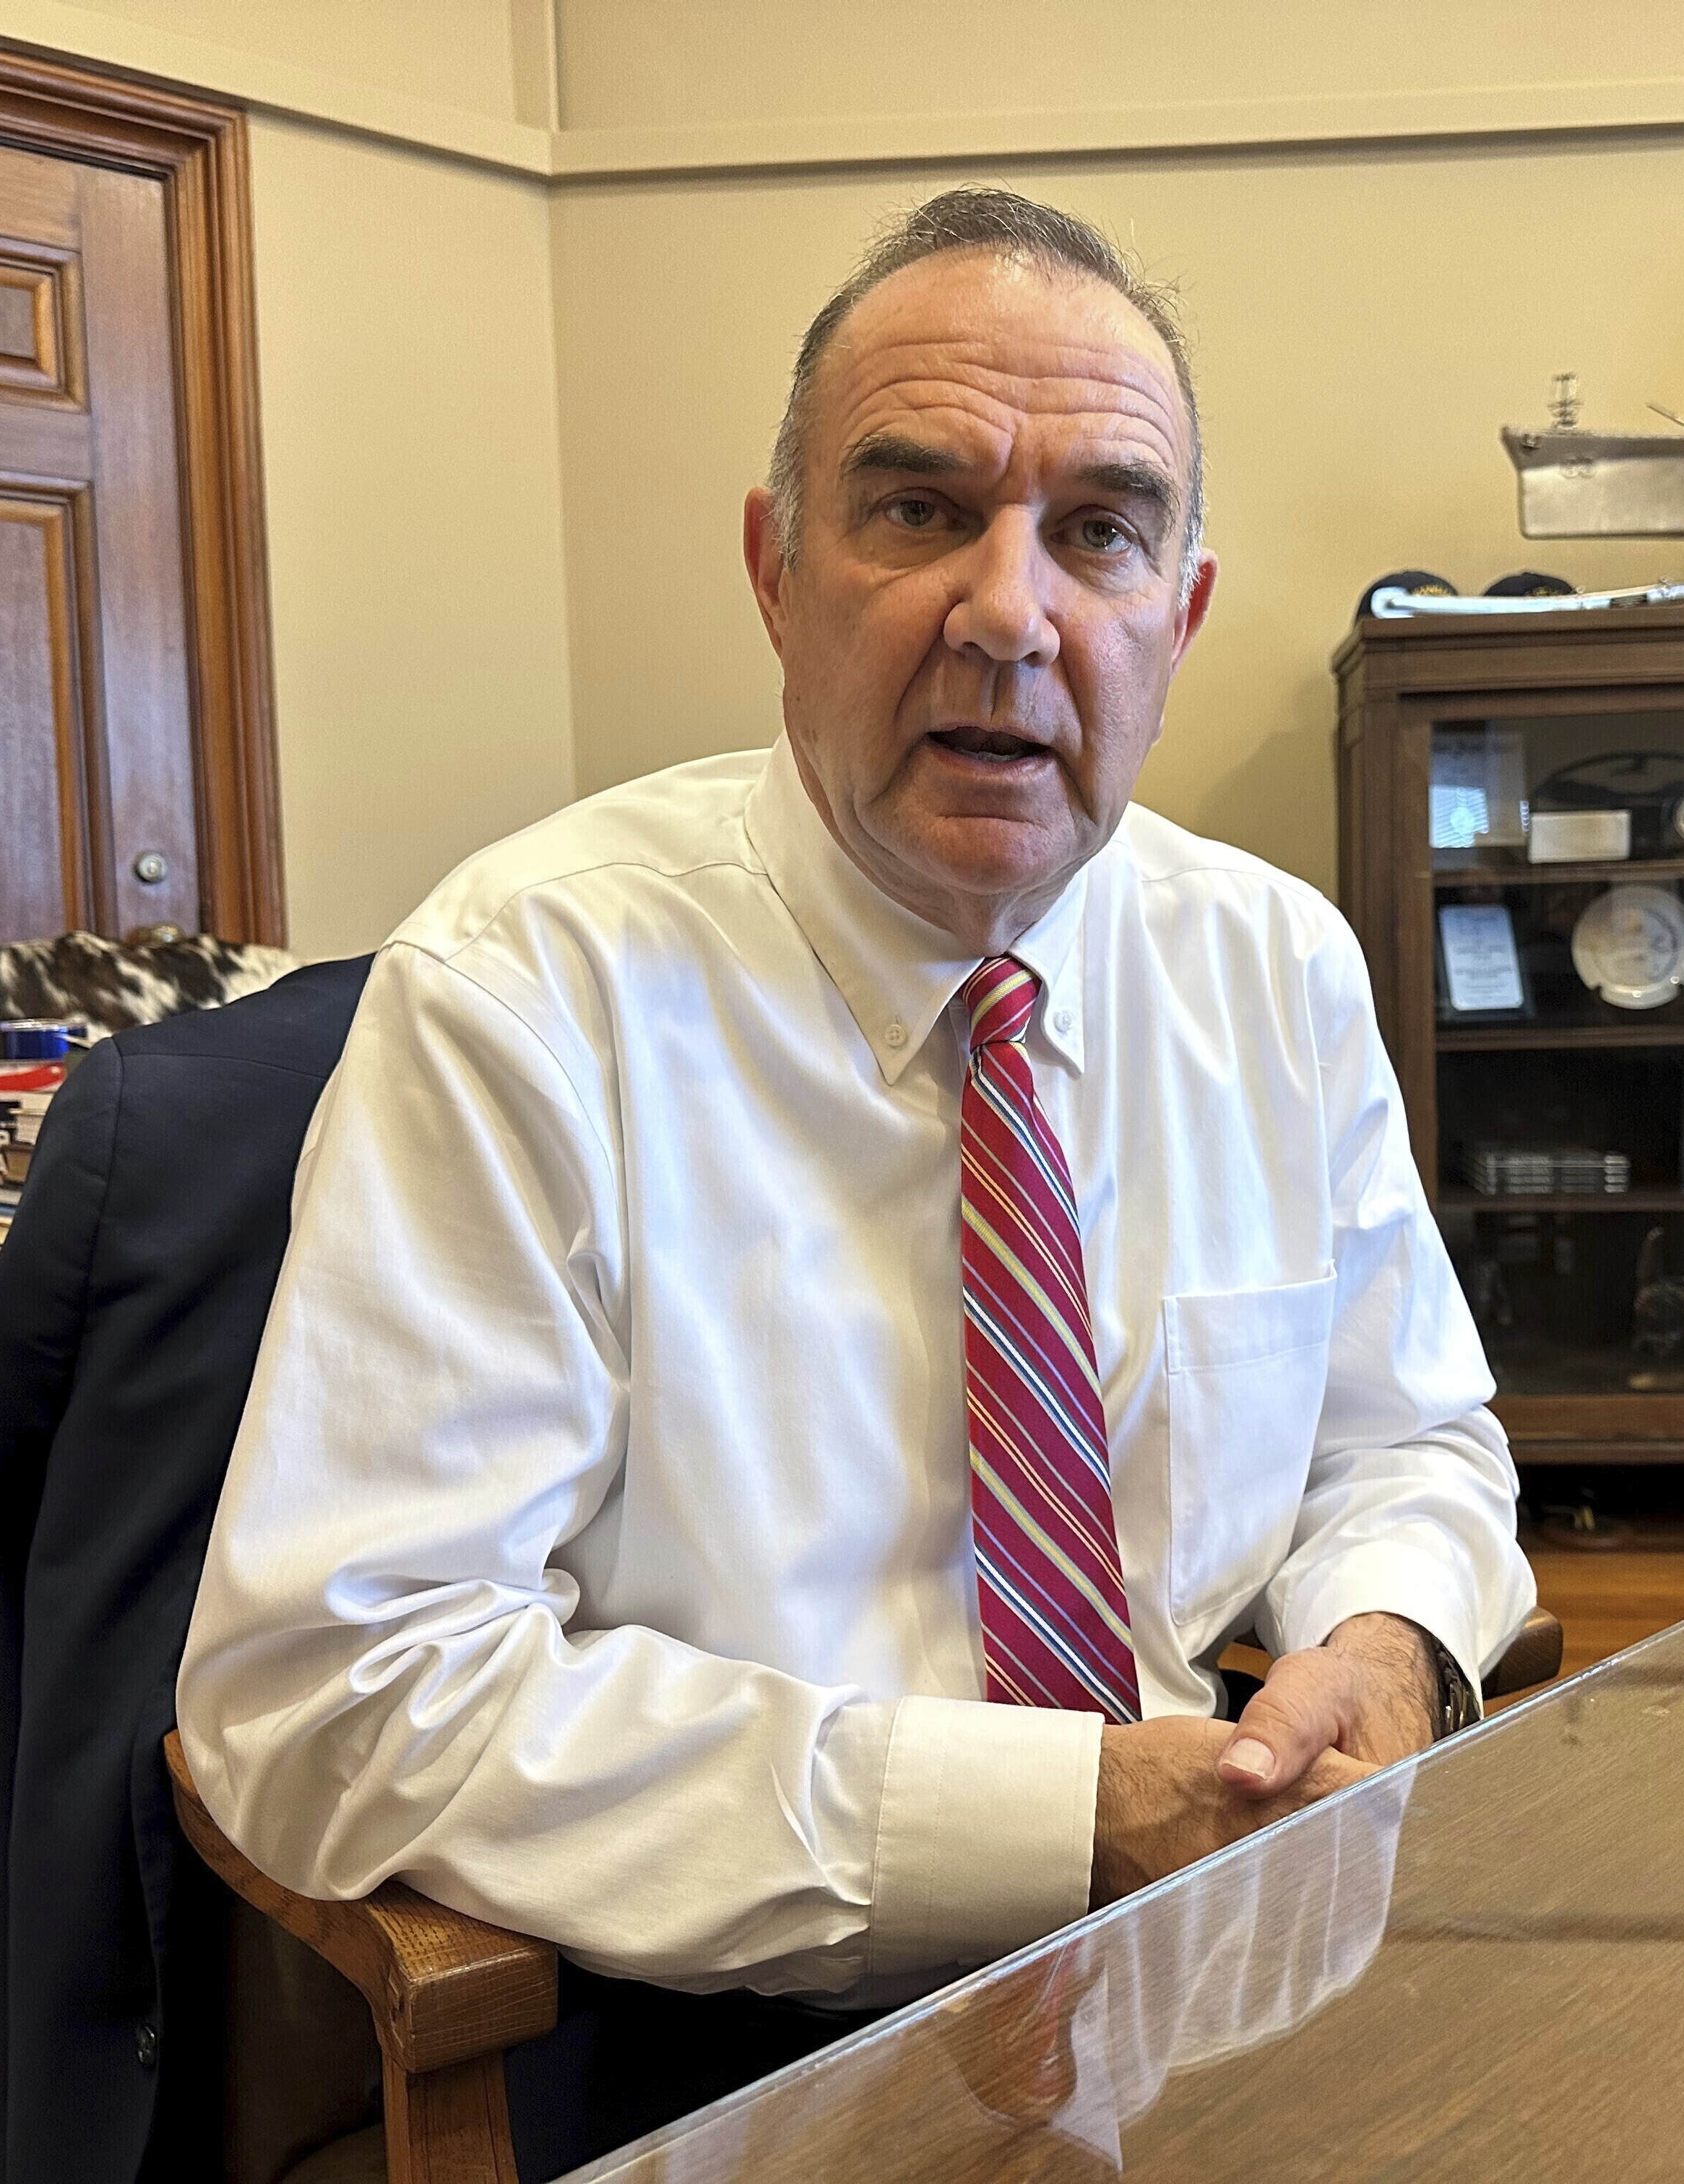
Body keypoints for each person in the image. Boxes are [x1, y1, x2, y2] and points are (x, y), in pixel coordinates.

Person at [176, 184, 1532, 2170]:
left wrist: (1390, 1651)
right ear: (775, 571)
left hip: (1222, 1962)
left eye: (1099, 531)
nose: (1011, 609)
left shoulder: (1275, 966)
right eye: (916, 512)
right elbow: (341, 1696)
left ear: (1180, 612)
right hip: (711, 2039)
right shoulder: (525, 995)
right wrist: (1062, 1814)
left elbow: (1410, 1440)